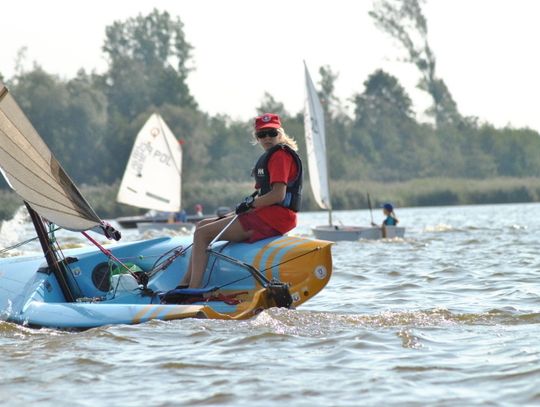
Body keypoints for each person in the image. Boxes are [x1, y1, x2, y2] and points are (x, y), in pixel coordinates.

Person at [179, 113, 303, 288]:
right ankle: (185, 283)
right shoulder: (272, 156)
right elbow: (265, 195)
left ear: (280, 133)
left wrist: (251, 204)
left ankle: (193, 289)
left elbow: (278, 195)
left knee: (201, 234)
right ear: (257, 138)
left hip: (275, 219)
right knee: (201, 225)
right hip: (267, 215)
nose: (267, 138)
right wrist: (247, 207)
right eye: (262, 134)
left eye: (272, 133)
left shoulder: (280, 156)